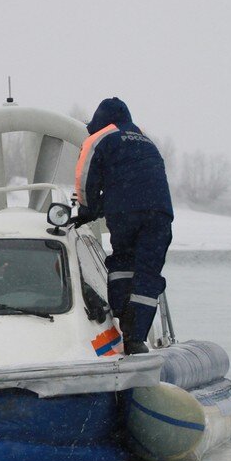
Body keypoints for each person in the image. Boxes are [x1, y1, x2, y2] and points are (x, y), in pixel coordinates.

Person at [74, 97, 173, 354]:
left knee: (123, 264)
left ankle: (120, 318)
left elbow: (86, 177)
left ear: (99, 121)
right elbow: (141, 178)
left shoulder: (100, 138)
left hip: (125, 212)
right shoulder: (146, 141)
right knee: (148, 274)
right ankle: (135, 336)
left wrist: (87, 210)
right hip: (160, 214)